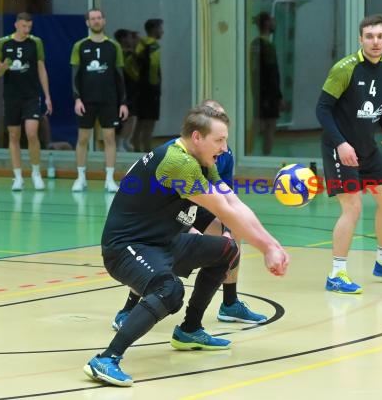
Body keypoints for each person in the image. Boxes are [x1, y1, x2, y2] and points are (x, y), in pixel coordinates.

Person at [83, 105, 289, 387]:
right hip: (126, 248)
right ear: (197, 137)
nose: (224, 147)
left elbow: (232, 203)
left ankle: (190, 330)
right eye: (219, 140)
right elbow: (226, 212)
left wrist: (272, 244)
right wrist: (267, 249)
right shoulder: (179, 162)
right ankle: (106, 358)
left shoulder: (203, 161)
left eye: (225, 140)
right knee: (169, 290)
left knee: (227, 249)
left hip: (163, 242)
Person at [110, 99, 267, 333]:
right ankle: (130, 307)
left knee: (230, 239)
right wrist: (190, 229)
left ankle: (229, 303)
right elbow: (165, 201)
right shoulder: (177, 157)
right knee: (164, 250)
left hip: (198, 202)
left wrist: (231, 229)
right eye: (216, 128)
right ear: (200, 131)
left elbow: (226, 199)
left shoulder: (223, 154)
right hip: (164, 209)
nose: (223, 140)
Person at [316, 14, 382, 294]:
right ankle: (337, 274)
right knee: (353, 208)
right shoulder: (344, 69)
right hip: (340, 149)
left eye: (380, 36)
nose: (375, 42)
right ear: (360, 39)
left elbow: (376, 102)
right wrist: (340, 144)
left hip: (368, 148)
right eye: (370, 36)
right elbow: (322, 109)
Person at [70, 9, 128, 193]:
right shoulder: (80, 46)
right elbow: (75, 76)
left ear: (104, 21)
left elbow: (120, 77)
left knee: (109, 138)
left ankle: (110, 179)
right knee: (83, 138)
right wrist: (77, 98)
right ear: (87, 22)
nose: (96, 21)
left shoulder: (113, 47)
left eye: (99, 18)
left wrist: (123, 102)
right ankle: (80, 178)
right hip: (86, 101)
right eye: (92, 19)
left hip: (109, 100)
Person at [0, 12, 53, 191]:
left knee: (32, 133)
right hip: (12, 96)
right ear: (16, 25)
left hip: (31, 95)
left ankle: (35, 173)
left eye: (29, 26)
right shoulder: (3, 43)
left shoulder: (36, 42)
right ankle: (18, 176)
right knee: (13, 136)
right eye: (24, 26)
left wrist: (47, 95)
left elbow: (41, 69)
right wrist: (2, 68)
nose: (27, 30)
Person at [249, 11, 285, 156]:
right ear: (266, 24)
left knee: (257, 123)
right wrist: (278, 96)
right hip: (269, 94)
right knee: (269, 127)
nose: (274, 23)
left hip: (258, 92)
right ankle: (265, 156)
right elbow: (272, 74)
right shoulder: (267, 46)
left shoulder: (254, 44)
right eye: (272, 21)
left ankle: (249, 154)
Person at [131, 18, 163, 153]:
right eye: (160, 28)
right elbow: (153, 66)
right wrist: (154, 85)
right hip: (149, 88)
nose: (162, 31)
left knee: (142, 118)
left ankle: (137, 143)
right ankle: (146, 147)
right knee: (149, 119)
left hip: (143, 86)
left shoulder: (144, 44)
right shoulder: (151, 45)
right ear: (154, 30)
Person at [113, 29, 139, 152]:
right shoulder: (123, 54)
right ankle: (121, 142)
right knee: (128, 116)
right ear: (123, 39)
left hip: (129, 88)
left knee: (131, 116)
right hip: (125, 88)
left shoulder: (127, 53)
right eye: (129, 37)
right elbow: (133, 73)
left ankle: (124, 141)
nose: (131, 40)